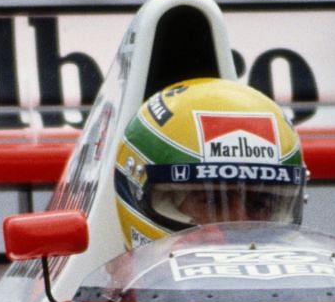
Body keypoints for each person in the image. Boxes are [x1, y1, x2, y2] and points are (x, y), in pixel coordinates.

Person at [114, 77, 307, 246]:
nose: (242, 224)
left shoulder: (318, 287)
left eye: (259, 204)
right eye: (213, 201)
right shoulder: (88, 286)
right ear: (136, 190)